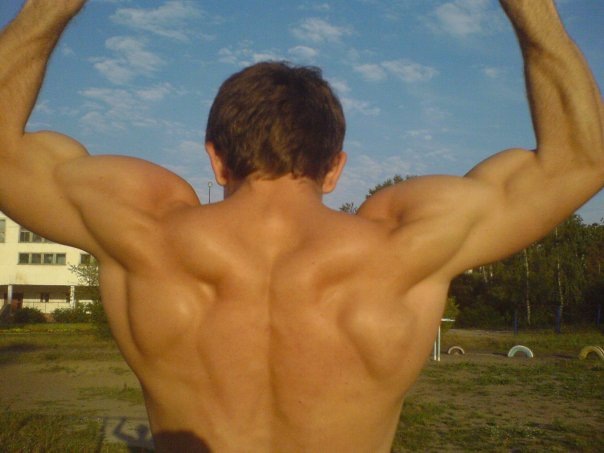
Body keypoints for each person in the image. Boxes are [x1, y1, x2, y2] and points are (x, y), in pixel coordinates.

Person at [0, 0, 602, 451]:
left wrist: (52, 6)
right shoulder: (402, 248)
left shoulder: (146, 235)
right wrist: (529, 8)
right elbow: (580, 158)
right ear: (335, 167)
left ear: (216, 159)